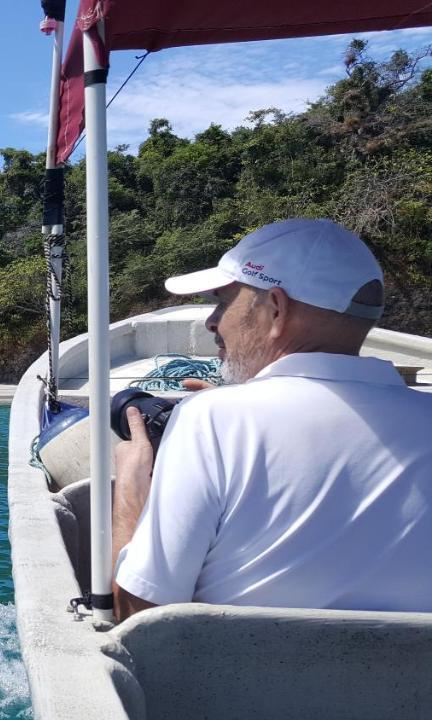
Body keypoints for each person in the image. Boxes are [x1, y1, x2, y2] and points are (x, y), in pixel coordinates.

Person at [111, 218, 432, 621]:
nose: (213, 321)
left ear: (276, 310)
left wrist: (131, 488)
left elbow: (139, 617)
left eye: (224, 302)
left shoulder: (211, 421)